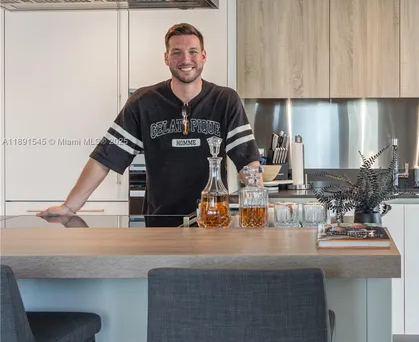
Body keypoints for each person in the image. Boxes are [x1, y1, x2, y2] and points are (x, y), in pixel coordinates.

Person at [39, 23, 262, 226]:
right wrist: (69, 207)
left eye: (193, 51)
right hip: (160, 224)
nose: (186, 59)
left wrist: (258, 202)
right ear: (166, 58)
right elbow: (105, 158)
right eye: (177, 52)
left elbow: (247, 163)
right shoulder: (144, 102)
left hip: (213, 222)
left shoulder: (225, 100)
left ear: (203, 56)